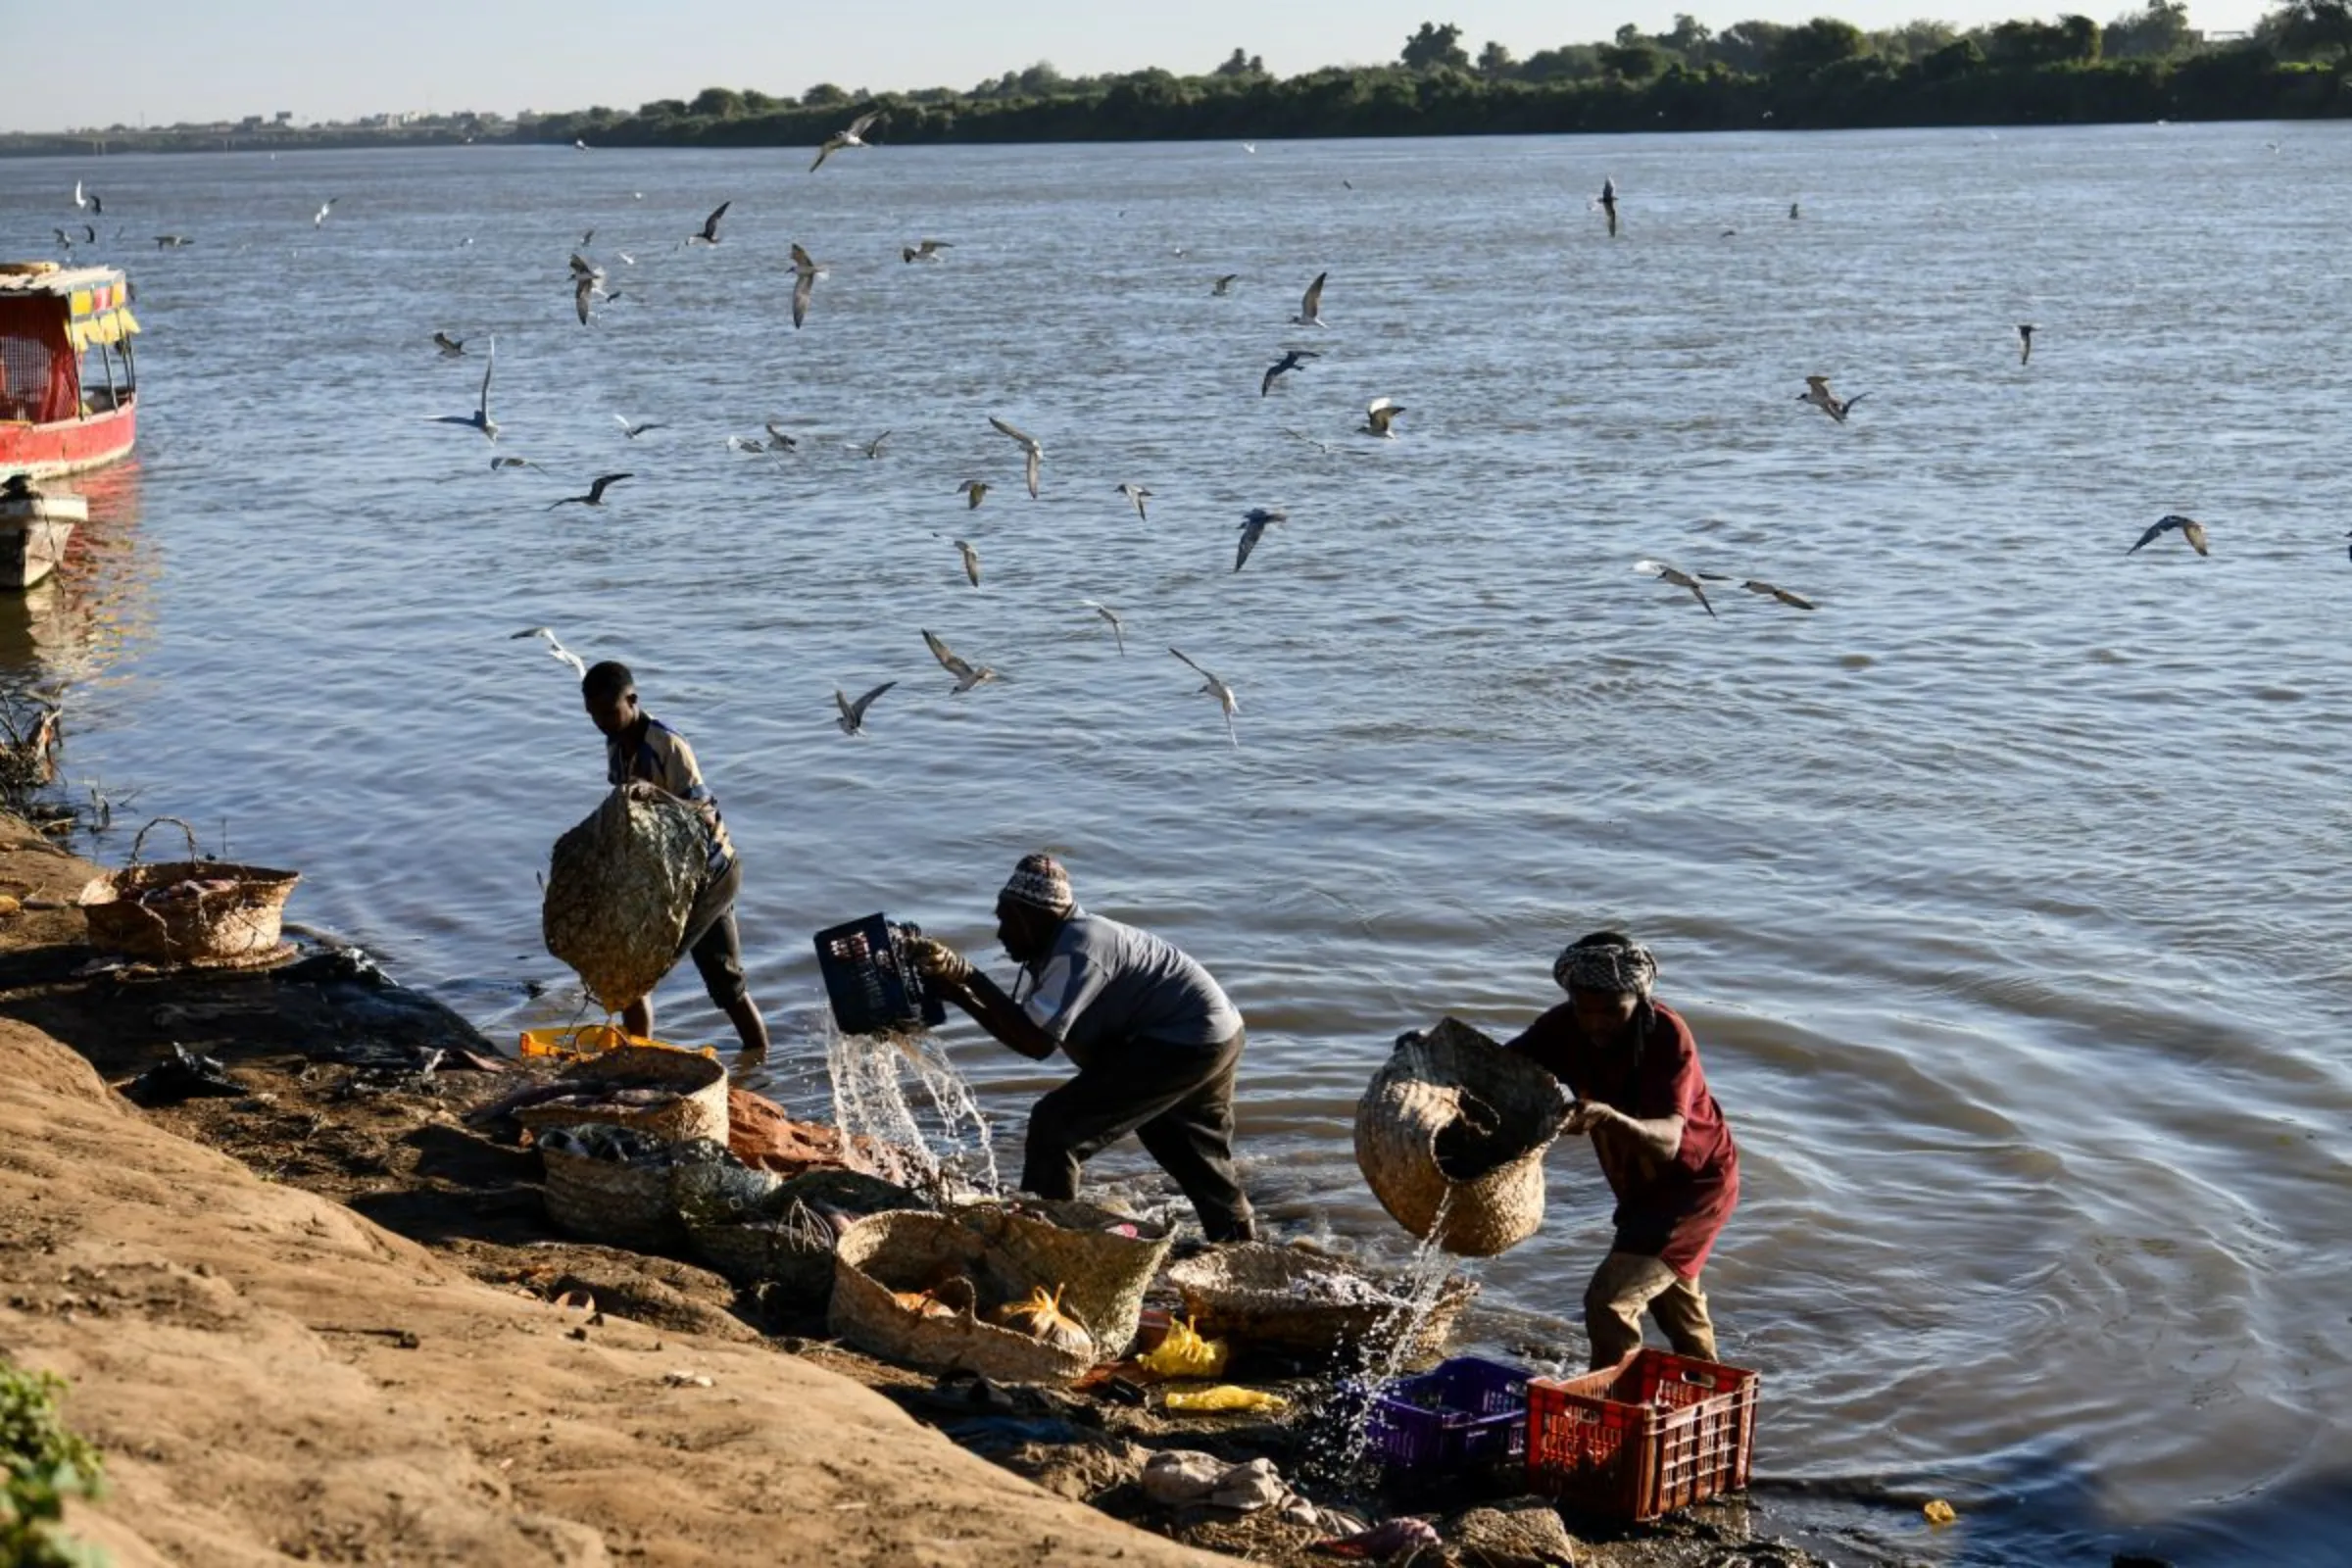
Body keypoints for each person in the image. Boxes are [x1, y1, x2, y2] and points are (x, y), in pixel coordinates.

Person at [906, 854, 1256, 1242]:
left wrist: (966, 976)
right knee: (1188, 1148)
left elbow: (1036, 1042)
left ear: (1033, 915)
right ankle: (1240, 1246)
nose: (1001, 933)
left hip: (1186, 1039)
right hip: (1215, 1032)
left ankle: (1045, 1243)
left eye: (1007, 919)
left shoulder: (1079, 949)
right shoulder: (1063, 942)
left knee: (1056, 1128)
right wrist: (959, 991)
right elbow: (1028, 1030)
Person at [1505, 931, 1738, 1370]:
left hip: (1693, 1189)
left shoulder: (1666, 1036)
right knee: (1676, 1306)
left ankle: (1615, 1412)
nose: (1596, 1023)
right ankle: (1708, 1398)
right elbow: (1500, 1069)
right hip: (1639, 1190)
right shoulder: (1563, 1027)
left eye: (1612, 1011)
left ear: (1640, 1000)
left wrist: (1610, 1118)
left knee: (1610, 1301)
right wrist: (1436, 1052)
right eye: (1585, 1009)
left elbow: (1669, 1141)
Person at [579, 660, 769, 1057]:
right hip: (674, 875)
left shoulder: (668, 746)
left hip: (711, 871)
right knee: (724, 980)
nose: (602, 723)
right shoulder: (616, 744)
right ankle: (755, 1060)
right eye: (593, 716)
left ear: (632, 700)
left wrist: (655, 795)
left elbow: (700, 813)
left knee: (639, 969)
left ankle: (641, 1058)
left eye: (608, 713)